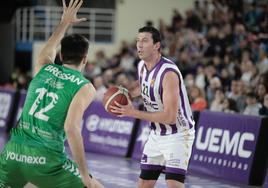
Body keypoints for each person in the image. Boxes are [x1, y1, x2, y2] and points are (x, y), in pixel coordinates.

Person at [0, 0, 103, 187]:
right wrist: (84, 175)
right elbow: (71, 129)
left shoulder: (42, 67)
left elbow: (50, 47)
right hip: (45, 159)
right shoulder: (84, 86)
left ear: (61, 56)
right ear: (85, 60)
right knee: (94, 186)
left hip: (12, 153)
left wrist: (64, 23)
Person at [111, 26, 195, 188]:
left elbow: (169, 117)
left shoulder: (168, 73)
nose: (139, 45)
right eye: (137, 41)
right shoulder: (142, 66)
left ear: (157, 46)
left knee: (173, 183)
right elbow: (142, 85)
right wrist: (124, 94)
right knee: (144, 184)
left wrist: (132, 112)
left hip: (178, 134)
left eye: (144, 41)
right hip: (157, 134)